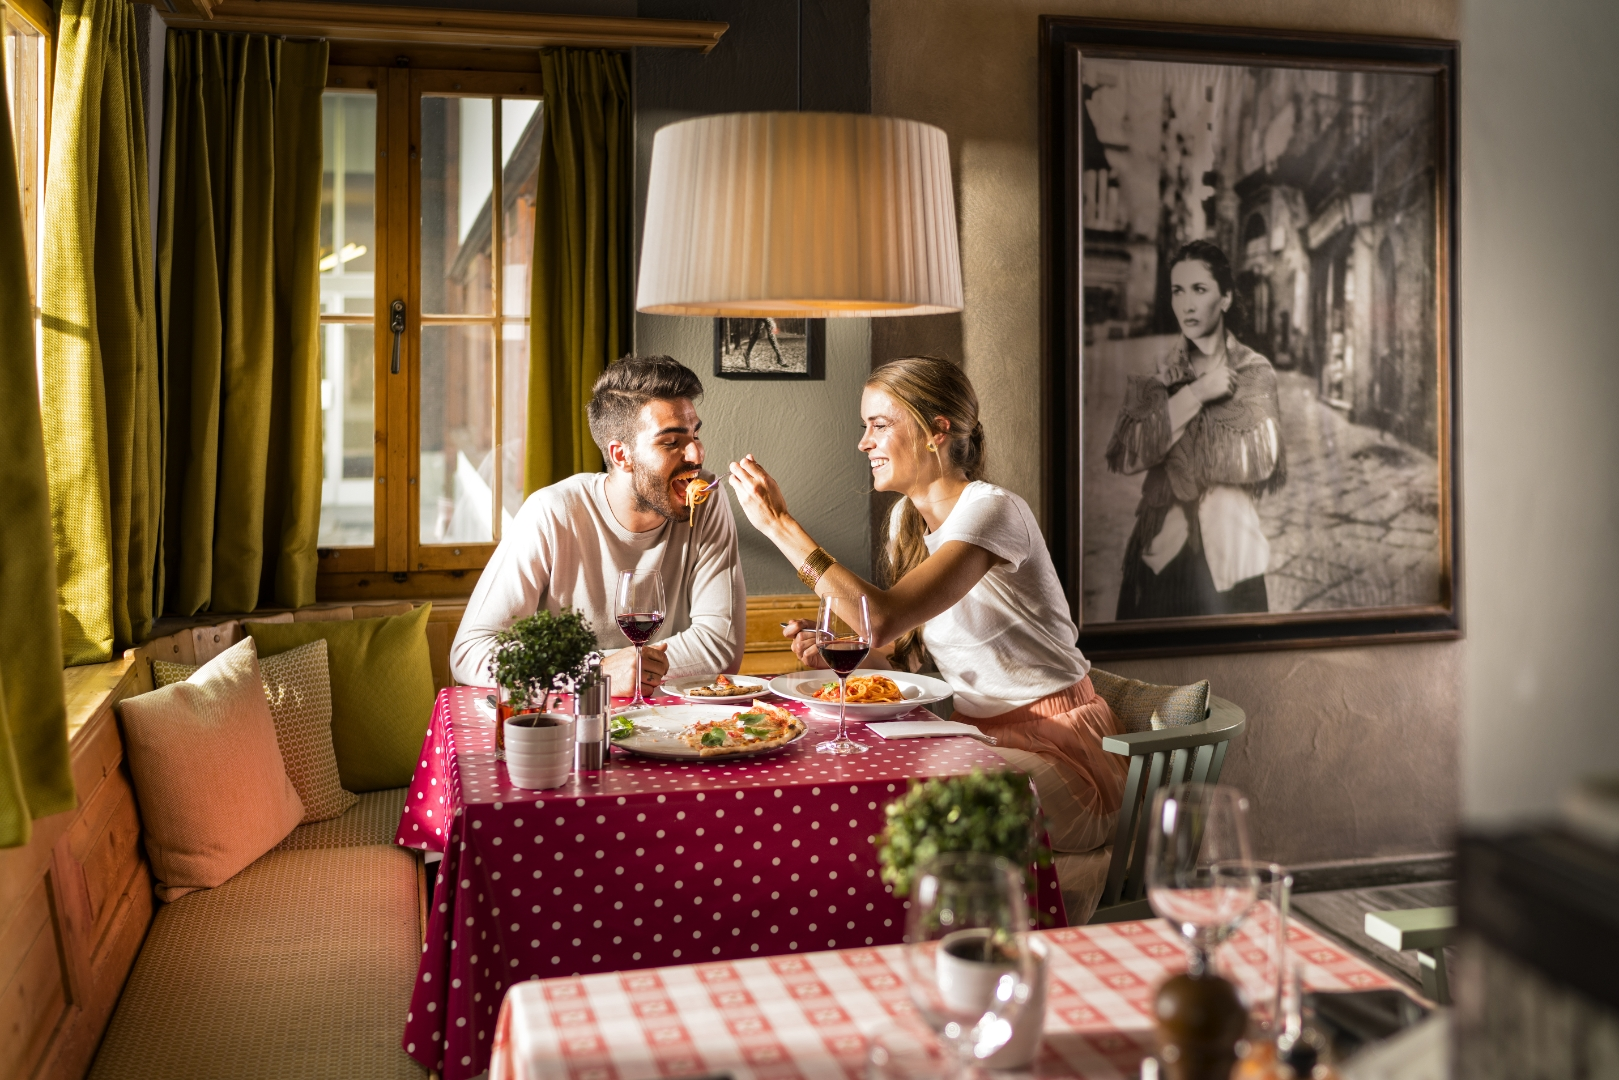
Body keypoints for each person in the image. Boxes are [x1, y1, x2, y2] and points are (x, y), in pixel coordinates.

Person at [725, 356, 1126, 839]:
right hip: (977, 738)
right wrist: (841, 648)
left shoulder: (993, 511)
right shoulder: (906, 522)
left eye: (879, 425)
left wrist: (778, 525)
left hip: (1061, 747)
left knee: (910, 816)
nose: (864, 442)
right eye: (864, 426)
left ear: (937, 430)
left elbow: (883, 619)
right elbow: (900, 656)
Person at [450, 355, 746, 695]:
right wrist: (594, 672)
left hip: (674, 720)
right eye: (671, 442)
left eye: (695, 434)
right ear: (621, 455)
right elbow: (470, 651)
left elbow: (720, 647)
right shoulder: (552, 512)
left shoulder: (705, 501)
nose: (696, 454)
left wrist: (630, 669)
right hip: (569, 721)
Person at [1107, 239, 1286, 620]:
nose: (1186, 304)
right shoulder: (1155, 371)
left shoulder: (1254, 372)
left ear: (1225, 298)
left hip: (1233, 556)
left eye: (1199, 289)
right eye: (1178, 290)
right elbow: (1129, 454)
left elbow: (1258, 461)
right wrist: (1198, 393)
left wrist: (1167, 440)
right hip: (1160, 553)